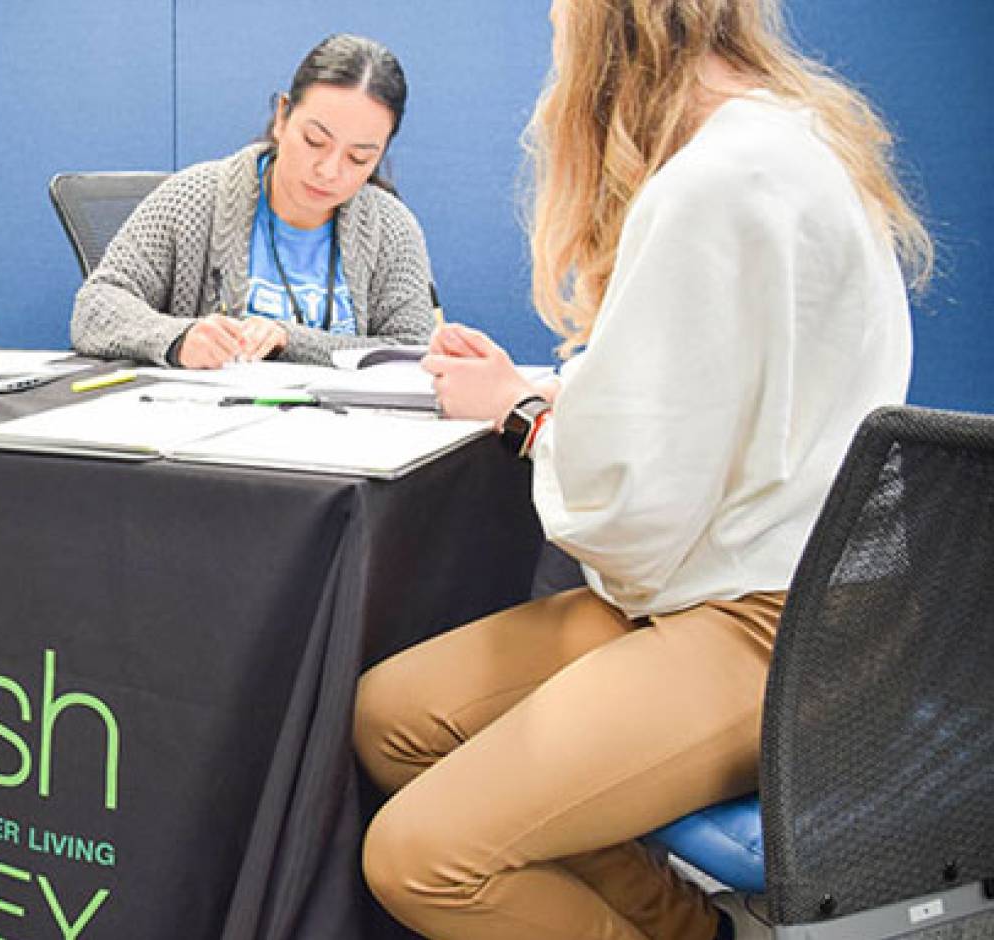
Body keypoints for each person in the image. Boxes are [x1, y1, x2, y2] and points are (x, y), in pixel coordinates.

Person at [353, 2, 930, 939]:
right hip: (795, 588)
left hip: (771, 628)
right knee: (394, 714)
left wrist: (527, 414)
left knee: (419, 858)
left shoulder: (710, 182)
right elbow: (715, 402)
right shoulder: (795, 136)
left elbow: (627, 512)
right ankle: (692, 929)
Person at [70, 33, 439, 368]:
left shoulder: (391, 227)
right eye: (314, 140)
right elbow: (96, 306)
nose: (329, 170)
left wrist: (289, 339)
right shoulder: (194, 199)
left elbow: (411, 352)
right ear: (282, 116)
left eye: (358, 158)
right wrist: (177, 339)